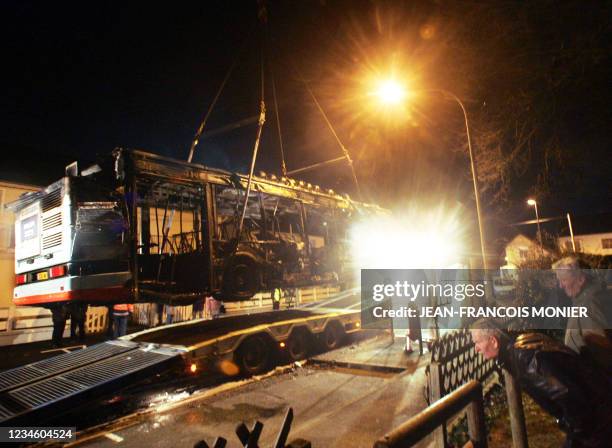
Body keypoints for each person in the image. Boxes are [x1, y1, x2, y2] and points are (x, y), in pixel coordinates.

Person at [470, 319, 612, 447]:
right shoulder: (522, 344)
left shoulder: (524, 359)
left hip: (597, 420)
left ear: (494, 341)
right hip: (597, 408)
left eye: (477, 342)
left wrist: (576, 433)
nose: (476, 349)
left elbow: (568, 395)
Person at [552, 256, 612, 371]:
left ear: (581, 279)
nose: (561, 286)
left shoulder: (589, 304)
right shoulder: (581, 300)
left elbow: (600, 351)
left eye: (564, 280)